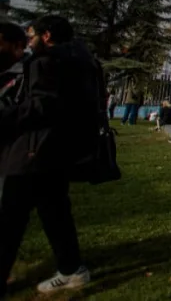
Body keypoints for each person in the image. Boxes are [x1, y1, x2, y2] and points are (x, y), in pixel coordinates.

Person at [0, 15, 104, 296]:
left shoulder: (46, 62)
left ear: (46, 36)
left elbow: (41, 105)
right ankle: (72, 269)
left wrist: (7, 116)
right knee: (54, 211)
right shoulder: (82, 62)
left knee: (11, 217)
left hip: (34, 150)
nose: (28, 39)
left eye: (32, 34)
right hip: (57, 149)